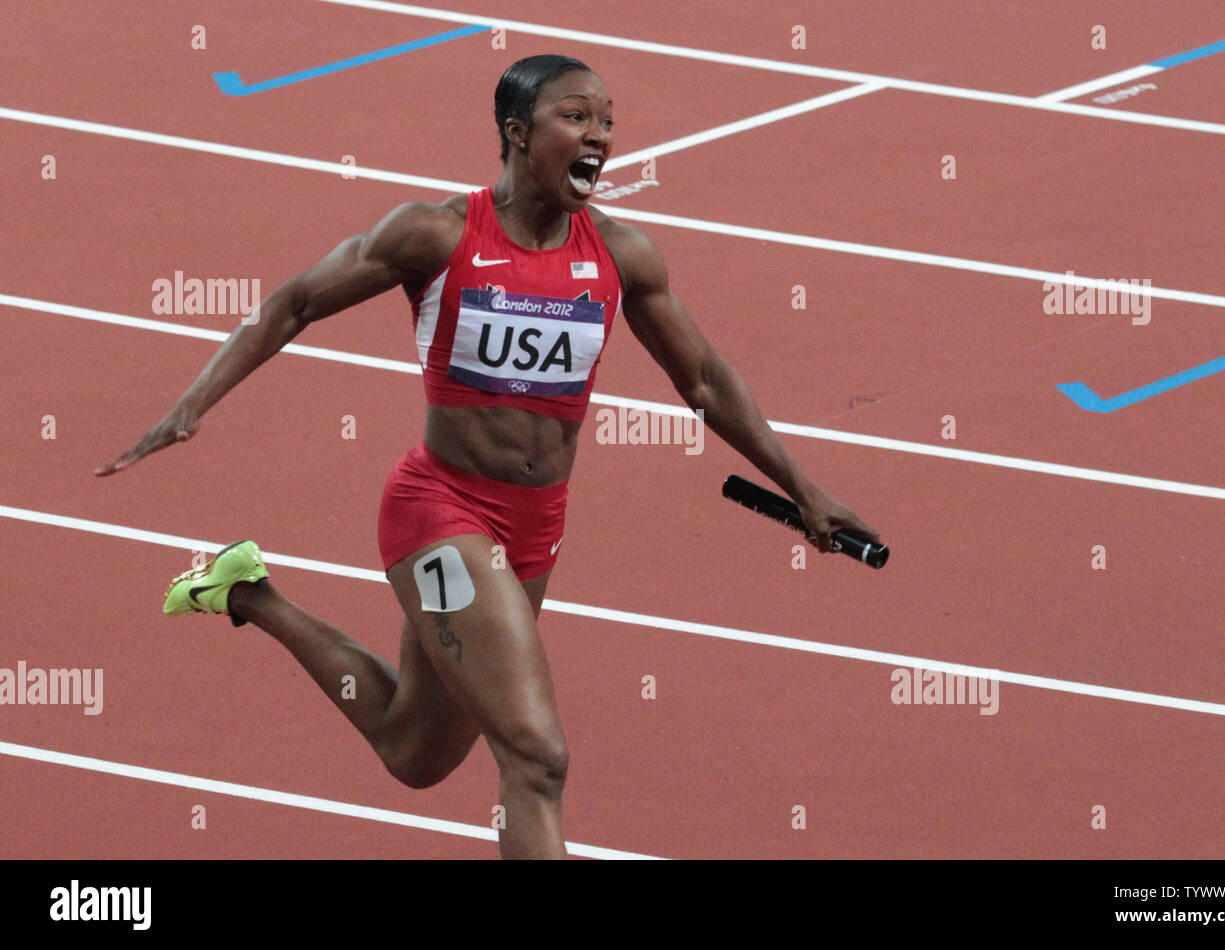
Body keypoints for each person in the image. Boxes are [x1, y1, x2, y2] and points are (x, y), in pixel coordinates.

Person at [95, 54, 882, 859]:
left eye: (607, 122)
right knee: (538, 759)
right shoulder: (435, 234)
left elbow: (706, 381)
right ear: (515, 132)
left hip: (536, 528)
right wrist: (191, 405)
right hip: (442, 512)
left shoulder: (621, 255)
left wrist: (802, 487)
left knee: (415, 753)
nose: (599, 137)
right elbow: (293, 304)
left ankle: (246, 591)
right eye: (576, 118)